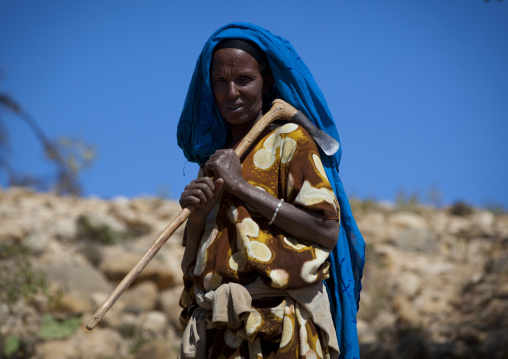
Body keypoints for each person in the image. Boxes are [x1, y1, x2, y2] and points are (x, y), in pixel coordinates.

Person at [177, 23, 365, 359]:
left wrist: (240, 187)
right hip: (219, 337)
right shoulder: (215, 161)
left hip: (281, 334)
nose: (231, 92)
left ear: (266, 84)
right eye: (220, 81)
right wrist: (197, 220)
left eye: (244, 79)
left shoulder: (291, 139)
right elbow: (194, 266)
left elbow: (326, 229)